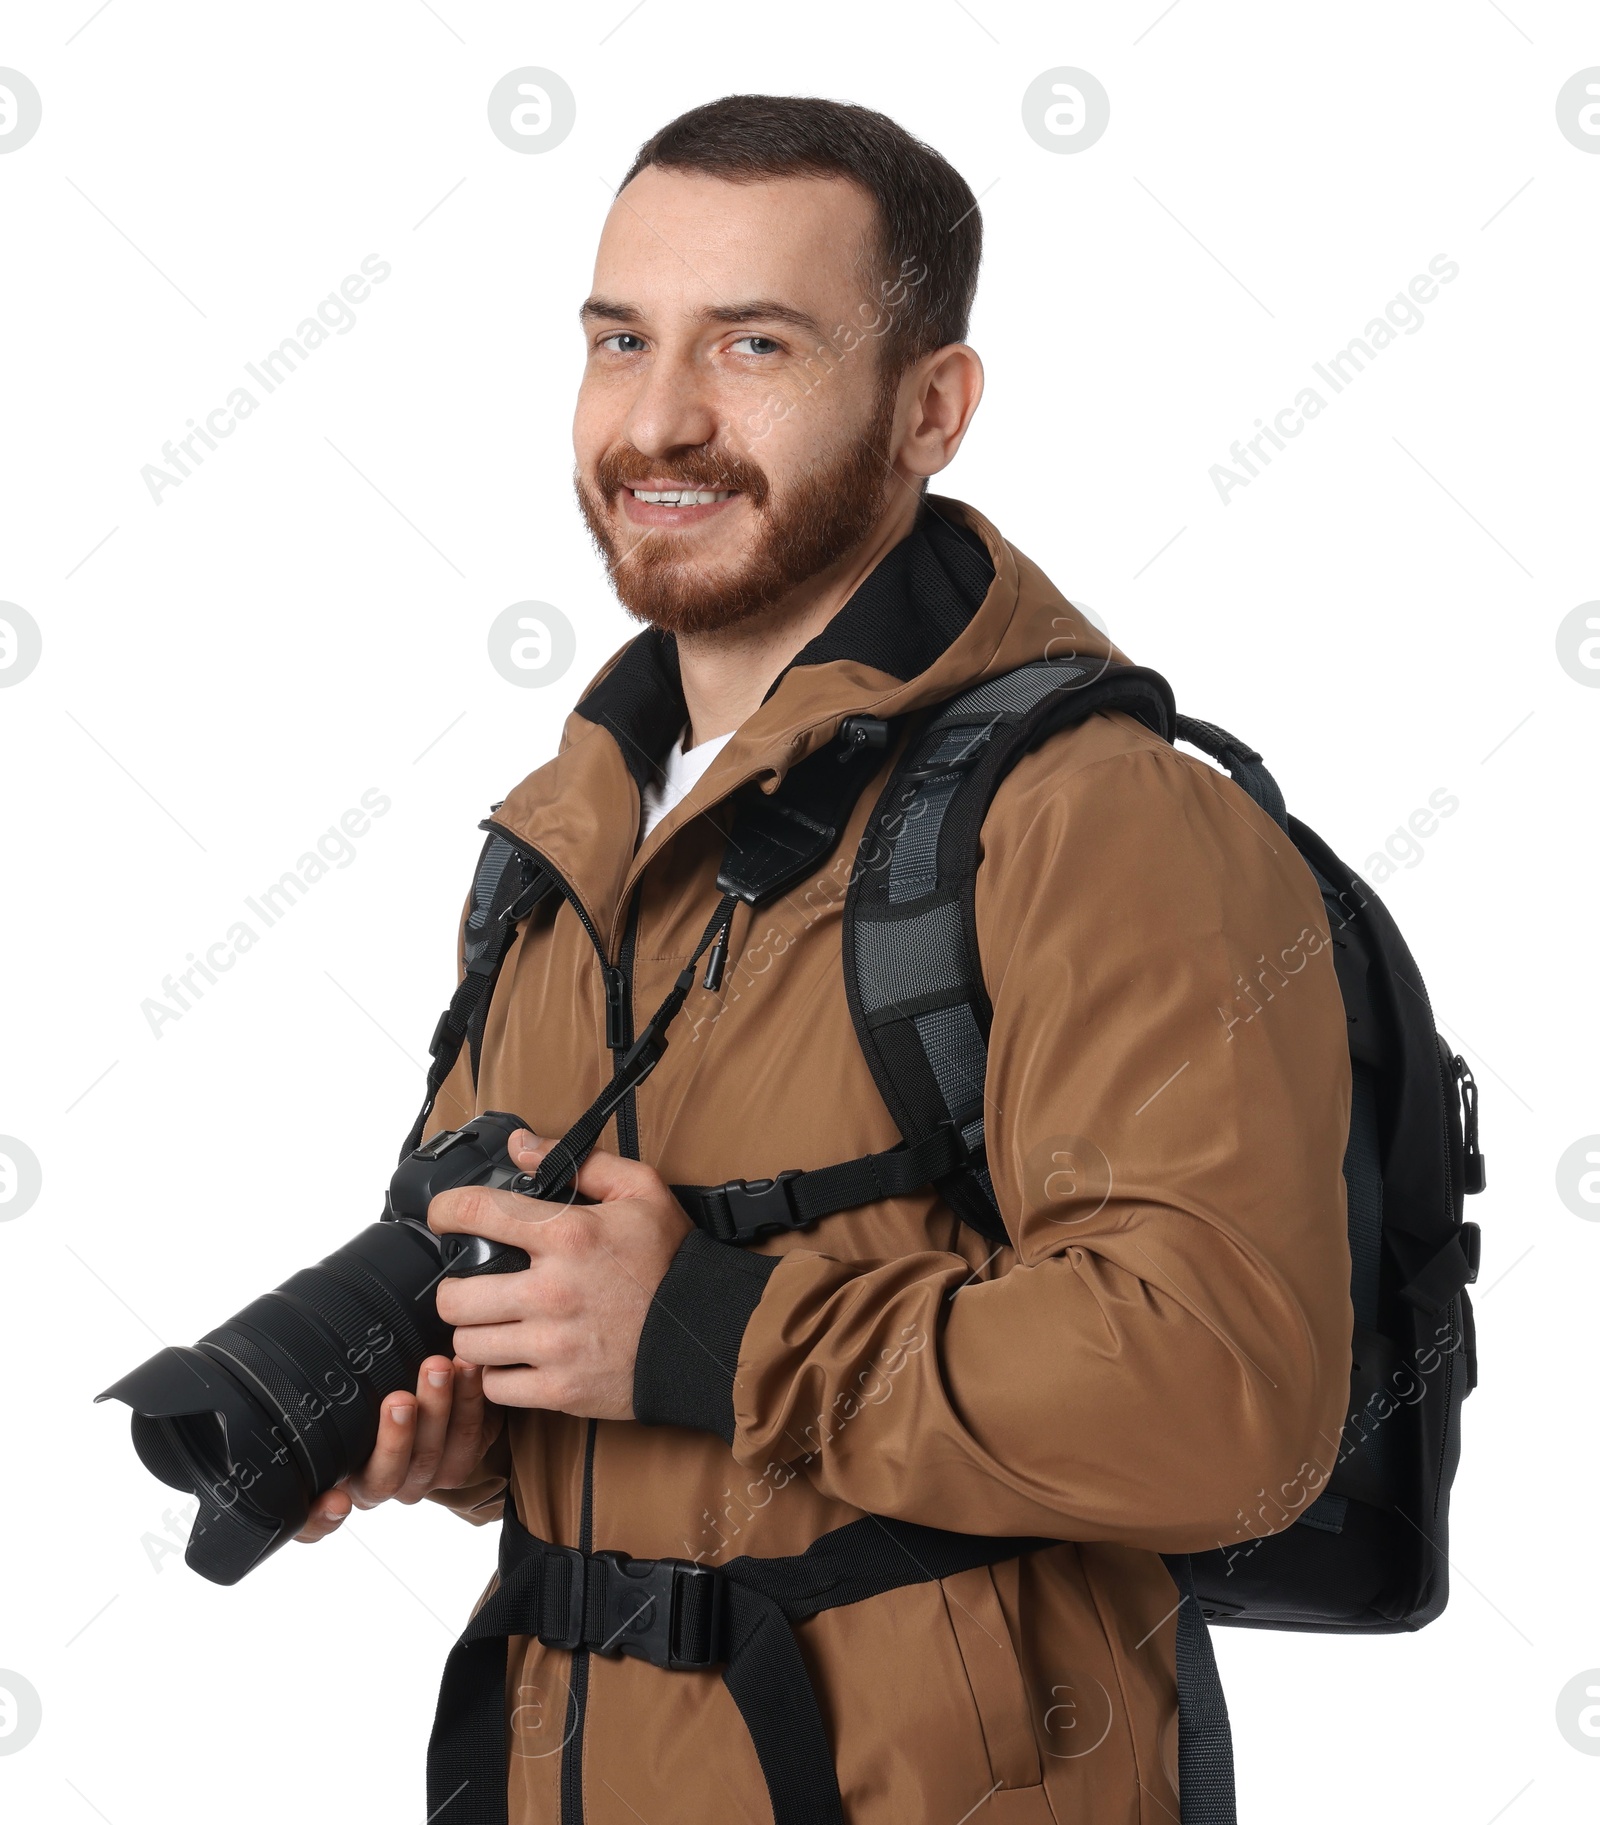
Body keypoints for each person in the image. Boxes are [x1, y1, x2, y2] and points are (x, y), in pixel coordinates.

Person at [295, 93, 1353, 1825]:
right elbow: (632, 1375)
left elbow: (1229, 1404)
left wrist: (707, 1330)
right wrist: (489, 1427)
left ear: (931, 406)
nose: (658, 418)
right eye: (619, 338)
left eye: (755, 345)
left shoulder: (1097, 821)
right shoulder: (565, 843)